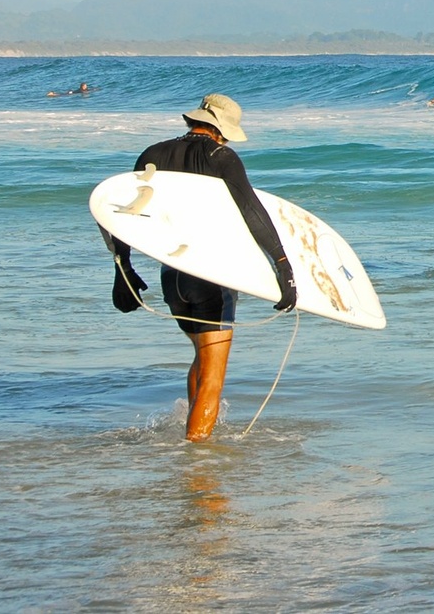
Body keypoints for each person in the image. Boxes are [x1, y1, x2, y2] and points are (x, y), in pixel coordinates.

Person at [105, 94, 297, 441]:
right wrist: (282, 265)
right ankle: (197, 463)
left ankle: (193, 435)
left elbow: (123, 211)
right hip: (211, 277)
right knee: (214, 375)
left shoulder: (153, 154)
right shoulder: (221, 156)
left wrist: (123, 270)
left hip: (172, 277)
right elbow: (252, 211)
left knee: (201, 358)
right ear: (221, 131)